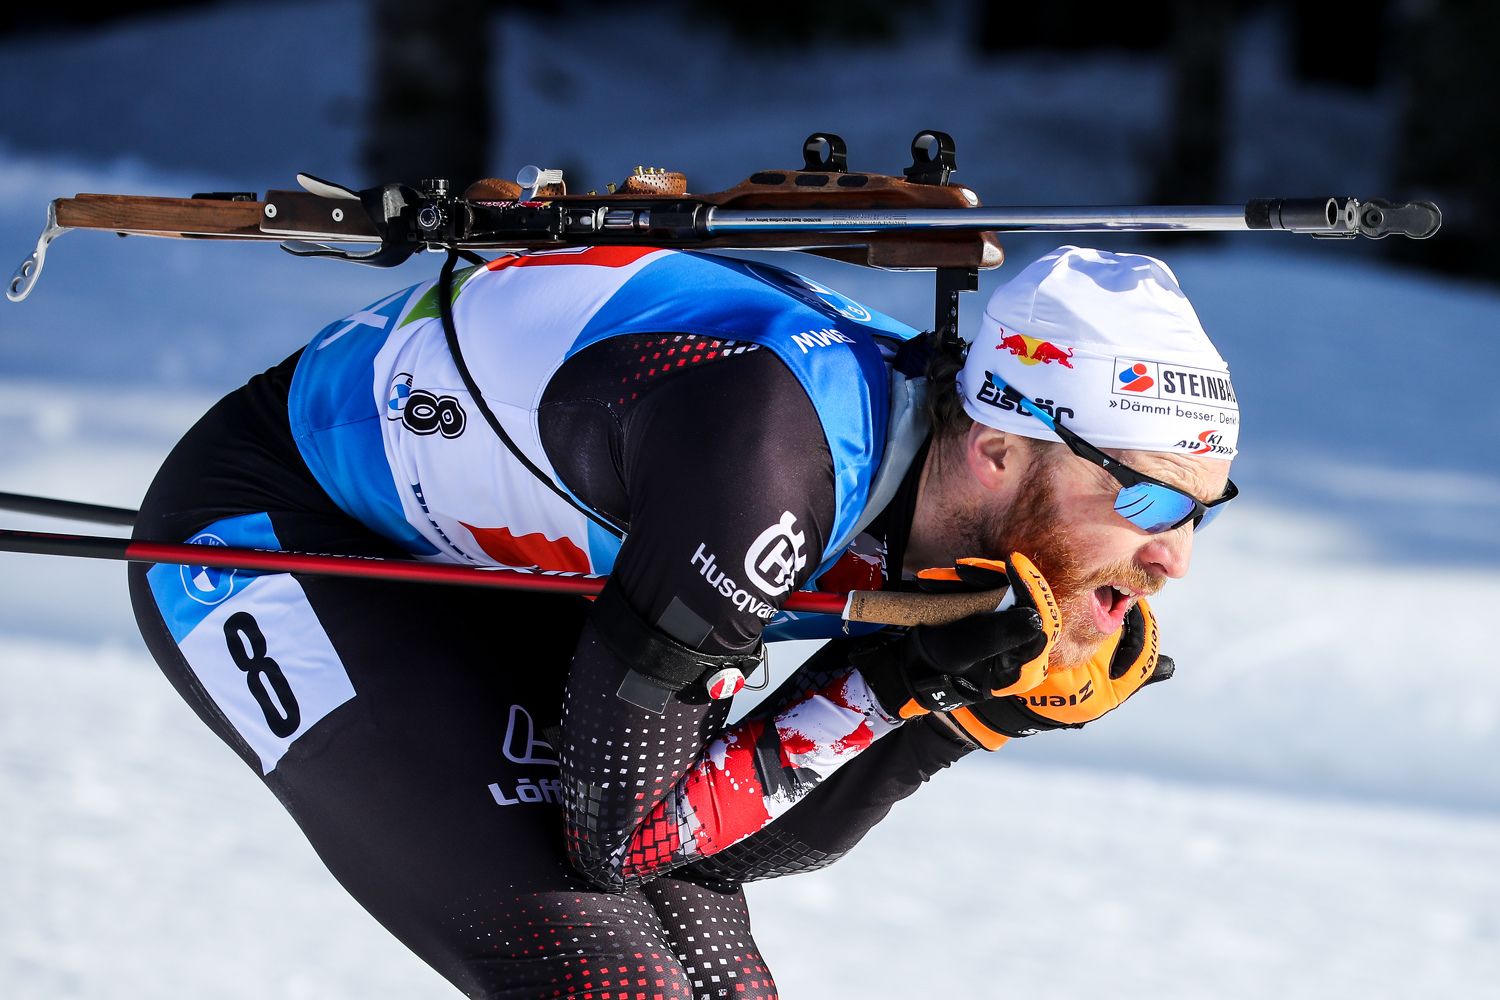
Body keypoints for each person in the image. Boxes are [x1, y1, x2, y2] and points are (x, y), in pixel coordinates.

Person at [127, 243, 1240, 999]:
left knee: (716, 979)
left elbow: (721, 852)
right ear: (998, 449)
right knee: (607, 985)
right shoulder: (770, 460)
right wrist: (897, 689)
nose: (1173, 556)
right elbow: (628, 841)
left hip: (518, 574)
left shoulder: (957, 506)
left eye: (1203, 509)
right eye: (1146, 497)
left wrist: (959, 717)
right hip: (281, 530)